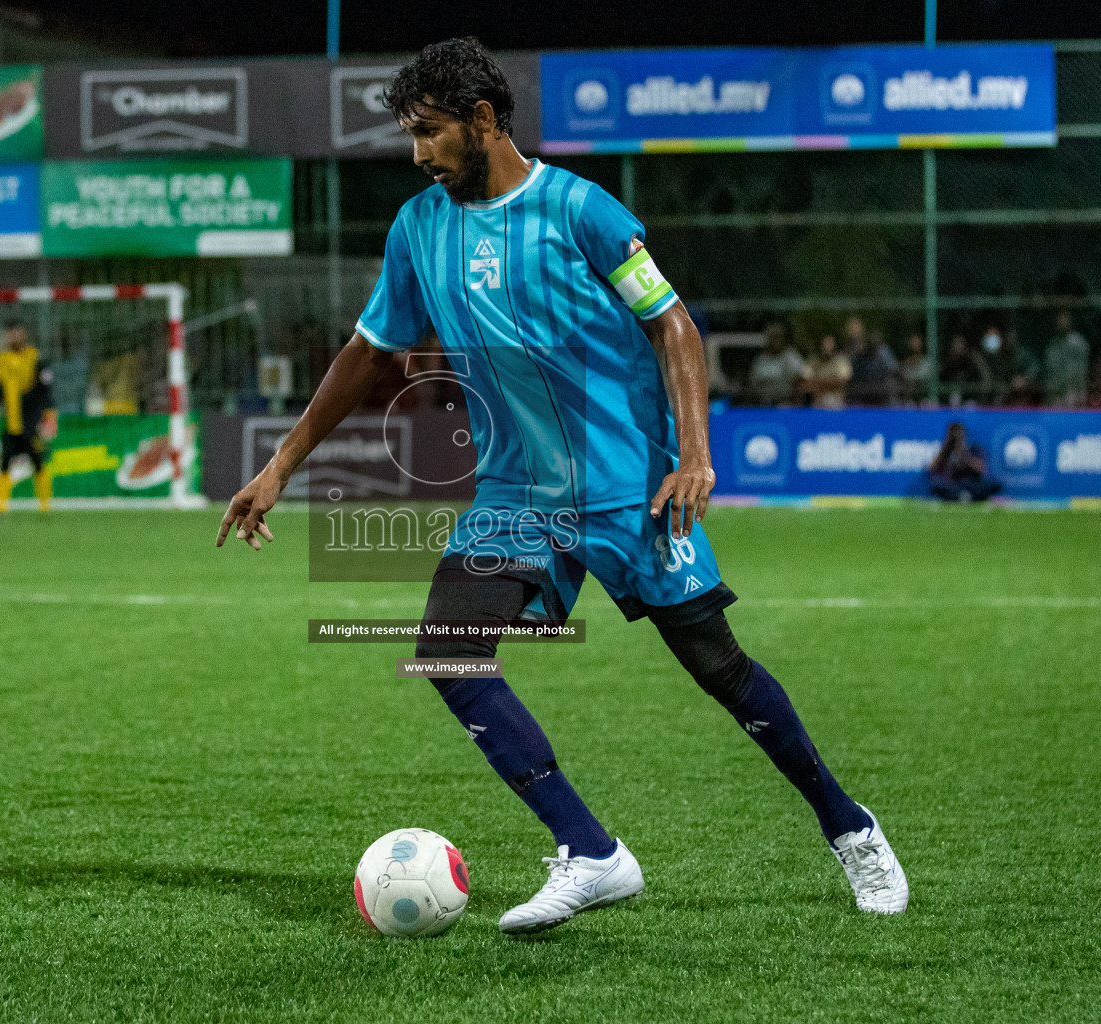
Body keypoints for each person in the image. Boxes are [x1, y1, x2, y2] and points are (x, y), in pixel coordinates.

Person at [218, 38, 907, 933]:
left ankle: (850, 828)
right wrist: (280, 465)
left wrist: (694, 454)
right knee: (449, 650)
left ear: (483, 121)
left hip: (632, 488)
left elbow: (674, 327)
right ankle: (591, 852)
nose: (418, 154)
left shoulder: (582, 210)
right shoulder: (417, 228)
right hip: (515, 493)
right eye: (408, 136)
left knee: (719, 668)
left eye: (429, 133)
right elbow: (367, 352)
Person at [0, 322, 56, 514]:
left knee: (38, 462)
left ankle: (45, 507)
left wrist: (49, 417)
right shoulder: (2, 360)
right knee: (4, 462)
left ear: (24, 335)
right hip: (11, 422)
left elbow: (46, 391)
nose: (13, 337)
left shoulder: (35, 358)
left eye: (17, 333)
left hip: (31, 422)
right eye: (10, 334)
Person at [926, 422, 1001, 503]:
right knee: (939, 486)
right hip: (955, 485)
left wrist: (964, 455)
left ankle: (966, 496)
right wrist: (946, 449)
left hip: (972, 484)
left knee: (994, 485)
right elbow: (931, 468)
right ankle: (963, 496)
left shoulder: (973, 449)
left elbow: (981, 469)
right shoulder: (945, 451)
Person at [744, 321, 805, 406]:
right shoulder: (761, 359)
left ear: (783, 338)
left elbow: (798, 382)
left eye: (777, 336)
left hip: (786, 403)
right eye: (771, 337)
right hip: (763, 403)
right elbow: (754, 382)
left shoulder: (791, 357)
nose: (774, 340)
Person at [843, 317, 897, 406]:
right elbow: (853, 375)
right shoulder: (857, 356)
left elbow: (892, 371)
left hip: (882, 392)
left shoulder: (883, 351)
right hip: (863, 393)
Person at [1042, 310, 1089, 408]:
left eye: (1064, 319)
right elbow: (1049, 372)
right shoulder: (1052, 346)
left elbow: (1081, 372)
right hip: (1056, 395)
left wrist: (1079, 395)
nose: (1061, 322)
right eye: (1059, 319)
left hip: (1074, 394)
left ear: (1070, 321)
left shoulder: (1079, 343)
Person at [938, 334, 991, 405]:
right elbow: (941, 381)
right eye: (956, 344)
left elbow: (983, 381)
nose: (959, 347)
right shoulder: (947, 362)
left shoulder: (971, 362)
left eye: (961, 344)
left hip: (969, 399)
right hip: (947, 400)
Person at [803, 334, 852, 409]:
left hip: (837, 402)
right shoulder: (812, 361)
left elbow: (843, 381)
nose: (827, 347)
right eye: (825, 344)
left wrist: (818, 383)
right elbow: (807, 383)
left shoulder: (841, 361)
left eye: (830, 344)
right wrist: (832, 383)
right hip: (817, 402)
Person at [896, 332, 932, 404]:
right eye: (913, 342)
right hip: (908, 399)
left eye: (917, 342)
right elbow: (903, 376)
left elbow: (923, 377)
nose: (915, 345)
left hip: (924, 397)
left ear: (921, 344)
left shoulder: (927, 362)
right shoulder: (904, 363)